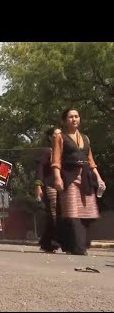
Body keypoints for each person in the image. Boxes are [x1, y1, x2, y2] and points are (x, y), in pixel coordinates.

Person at [52, 108, 105, 255]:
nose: (74, 119)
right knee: (72, 212)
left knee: (86, 213)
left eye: (76, 116)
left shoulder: (85, 138)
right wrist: (57, 177)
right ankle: (77, 247)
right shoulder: (60, 137)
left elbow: (91, 161)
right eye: (70, 117)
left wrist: (99, 178)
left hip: (86, 178)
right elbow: (56, 159)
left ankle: (76, 244)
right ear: (64, 121)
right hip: (69, 177)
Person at [35, 127, 62, 253]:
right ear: (50, 138)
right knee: (53, 213)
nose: (60, 137)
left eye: (61, 134)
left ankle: (46, 241)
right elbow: (39, 169)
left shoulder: (65, 152)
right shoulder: (47, 151)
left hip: (63, 186)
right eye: (56, 135)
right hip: (50, 185)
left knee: (60, 213)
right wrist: (38, 186)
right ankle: (53, 241)